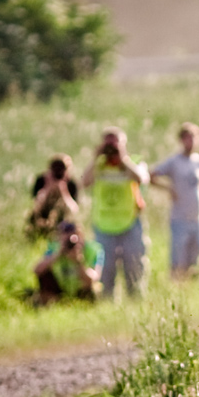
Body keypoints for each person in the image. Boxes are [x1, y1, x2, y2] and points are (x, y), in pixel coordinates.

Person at [82, 127, 149, 300]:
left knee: (134, 267)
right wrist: (97, 157)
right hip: (104, 225)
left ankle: (136, 302)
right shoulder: (99, 165)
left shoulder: (133, 162)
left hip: (130, 223)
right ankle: (107, 304)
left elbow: (141, 178)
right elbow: (84, 182)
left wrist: (122, 158)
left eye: (115, 143)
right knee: (106, 270)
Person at [150, 122, 199, 278]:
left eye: (194, 138)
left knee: (196, 256)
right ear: (181, 140)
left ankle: (191, 285)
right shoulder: (174, 161)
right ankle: (176, 285)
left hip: (198, 217)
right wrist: (168, 188)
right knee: (178, 258)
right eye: (187, 138)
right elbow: (152, 175)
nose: (191, 142)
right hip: (180, 218)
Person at [32, 221, 103, 305]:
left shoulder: (93, 250)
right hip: (60, 289)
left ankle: (86, 305)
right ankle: (52, 303)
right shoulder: (54, 248)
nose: (71, 241)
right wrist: (57, 255)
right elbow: (37, 271)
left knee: (95, 287)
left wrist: (78, 262)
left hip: (82, 291)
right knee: (45, 275)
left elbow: (93, 279)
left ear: (82, 236)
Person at [26, 153, 80, 239]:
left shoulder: (71, 184)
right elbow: (36, 204)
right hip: (42, 218)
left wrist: (64, 191)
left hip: (63, 221)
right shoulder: (42, 180)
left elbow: (73, 210)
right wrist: (47, 188)